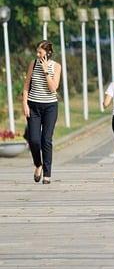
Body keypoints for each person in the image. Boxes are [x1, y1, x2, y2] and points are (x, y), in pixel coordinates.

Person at [23, 40, 61, 184]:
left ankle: (47, 174)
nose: (37, 54)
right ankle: (38, 164)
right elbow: (26, 85)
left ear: (48, 53)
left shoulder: (56, 66)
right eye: (37, 52)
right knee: (33, 140)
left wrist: (46, 70)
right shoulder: (33, 64)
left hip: (50, 107)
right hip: (33, 106)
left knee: (46, 139)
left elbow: (53, 88)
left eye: (40, 52)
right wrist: (24, 103)